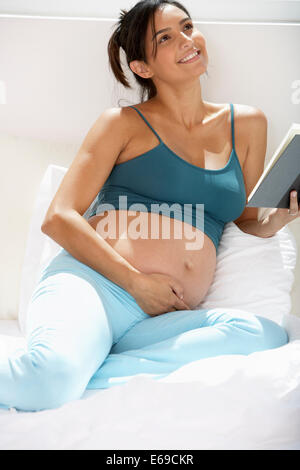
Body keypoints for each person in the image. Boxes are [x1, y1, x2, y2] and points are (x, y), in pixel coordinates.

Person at [1, 0, 297, 412]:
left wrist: (278, 218)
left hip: (164, 317)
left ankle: (92, 367)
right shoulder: (120, 124)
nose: (187, 40)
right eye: (166, 37)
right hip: (98, 288)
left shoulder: (247, 124)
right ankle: (68, 369)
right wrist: (137, 284)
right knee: (47, 382)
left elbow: (246, 219)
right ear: (142, 67)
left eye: (188, 26)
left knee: (263, 336)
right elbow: (59, 217)